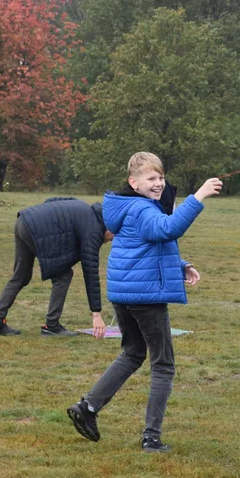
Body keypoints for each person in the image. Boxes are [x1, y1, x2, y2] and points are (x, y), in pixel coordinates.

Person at [67, 152, 222, 452]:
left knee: (133, 352)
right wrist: (199, 196)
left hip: (125, 294)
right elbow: (167, 229)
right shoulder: (142, 209)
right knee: (163, 364)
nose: (158, 183)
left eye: (161, 177)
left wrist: (181, 264)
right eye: (151, 178)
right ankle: (151, 437)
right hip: (144, 297)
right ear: (133, 182)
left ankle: (87, 407)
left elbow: (146, 246)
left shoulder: (126, 208)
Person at [0, 197, 113, 338]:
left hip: (25, 219)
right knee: (63, 276)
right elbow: (91, 271)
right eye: (113, 236)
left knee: (21, 276)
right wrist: (96, 314)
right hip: (36, 228)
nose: (111, 240)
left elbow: (52, 200)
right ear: (109, 226)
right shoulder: (93, 230)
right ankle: (51, 325)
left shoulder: (86, 208)